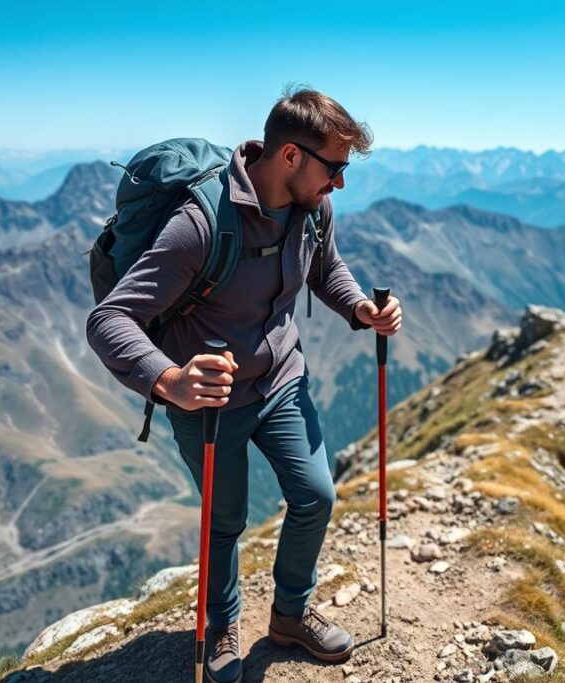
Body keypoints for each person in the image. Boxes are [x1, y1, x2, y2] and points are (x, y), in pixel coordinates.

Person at [86, 86, 401, 682]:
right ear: (289, 157)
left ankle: (289, 616)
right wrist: (169, 380)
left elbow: (324, 267)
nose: (340, 183)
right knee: (224, 520)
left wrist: (360, 309)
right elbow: (109, 319)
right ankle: (221, 626)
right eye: (334, 168)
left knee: (317, 495)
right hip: (210, 400)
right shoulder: (199, 224)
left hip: (281, 379)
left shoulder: (312, 210)